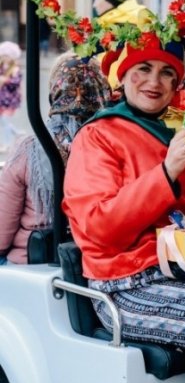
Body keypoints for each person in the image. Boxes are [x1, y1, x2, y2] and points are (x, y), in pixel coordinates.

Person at [62, 28, 185, 383]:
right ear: (123, 75)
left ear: (178, 81)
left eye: (166, 72)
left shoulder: (181, 128)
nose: (154, 82)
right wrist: (166, 172)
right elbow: (98, 227)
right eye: (143, 68)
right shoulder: (98, 136)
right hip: (125, 284)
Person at [0, 53, 112, 266]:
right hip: (90, 263)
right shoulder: (114, 144)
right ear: (103, 93)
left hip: (32, 263)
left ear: (55, 92)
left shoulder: (30, 148)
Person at [0, 41, 23, 153]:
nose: (5, 58)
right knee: (3, 121)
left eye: (7, 56)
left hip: (10, 100)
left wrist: (6, 80)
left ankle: (7, 144)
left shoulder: (15, 69)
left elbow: (16, 82)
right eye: (3, 55)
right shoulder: (2, 67)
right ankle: (16, 133)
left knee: (4, 120)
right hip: (1, 99)